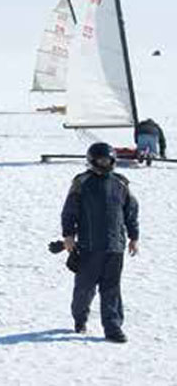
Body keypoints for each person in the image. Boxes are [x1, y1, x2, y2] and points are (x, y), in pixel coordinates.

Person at [61, 142, 139, 343]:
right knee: (84, 289)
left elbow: (130, 211)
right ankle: (80, 319)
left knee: (111, 289)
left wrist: (134, 237)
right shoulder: (82, 182)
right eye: (101, 160)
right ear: (92, 161)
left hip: (115, 246)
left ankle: (113, 328)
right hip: (89, 246)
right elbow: (69, 211)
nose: (105, 163)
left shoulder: (121, 183)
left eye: (108, 160)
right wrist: (68, 236)